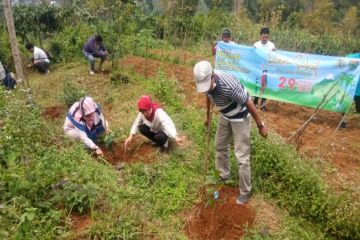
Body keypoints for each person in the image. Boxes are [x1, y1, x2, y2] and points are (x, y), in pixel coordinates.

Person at [193, 61, 268, 205]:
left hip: (240, 116)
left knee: (241, 156)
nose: (205, 89)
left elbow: (249, 103)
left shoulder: (229, 86)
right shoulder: (206, 86)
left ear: (213, 76)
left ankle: (245, 191)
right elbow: (208, 97)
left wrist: (260, 125)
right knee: (220, 145)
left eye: (206, 84)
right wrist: (208, 116)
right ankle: (223, 174)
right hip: (225, 115)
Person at [253, 27, 276, 111]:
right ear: (260, 36)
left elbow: (275, 56)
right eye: (263, 37)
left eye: (266, 37)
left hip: (266, 67)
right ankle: (255, 101)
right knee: (256, 83)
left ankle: (263, 104)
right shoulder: (256, 44)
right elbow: (252, 54)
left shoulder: (271, 45)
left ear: (268, 36)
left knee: (264, 84)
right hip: (256, 67)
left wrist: (275, 51)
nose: (265, 38)